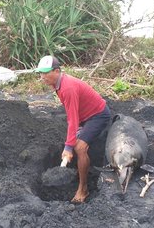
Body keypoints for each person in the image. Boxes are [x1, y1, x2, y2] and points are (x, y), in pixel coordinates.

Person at [34, 55, 111, 203]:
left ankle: (83, 188)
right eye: (40, 73)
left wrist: (68, 148)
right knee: (75, 140)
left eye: (45, 73)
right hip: (85, 116)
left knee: (79, 148)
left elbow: (72, 119)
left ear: (56, 71)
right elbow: (74, 115)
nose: (42, 77)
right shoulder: (58, 83)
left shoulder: (67, 88)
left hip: (98, 115)